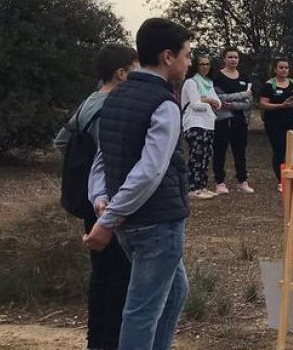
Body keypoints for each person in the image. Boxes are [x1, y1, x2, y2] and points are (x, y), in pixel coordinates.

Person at [85, 18, 195, 350]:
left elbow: (102, 157)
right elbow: (150, 171)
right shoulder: (164, 104)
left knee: (177, 290)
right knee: (141, 312)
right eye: (186, 55)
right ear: (167, 56)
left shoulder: (117, 96)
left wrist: (101, 197)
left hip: (130, 224)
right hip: (156, 224)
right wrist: (107, 218)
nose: (188, 62)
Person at [53, 44, 136, 350]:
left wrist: (82, 169)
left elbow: (62, 141)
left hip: (90, 204)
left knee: (100, 273)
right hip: (108, 203)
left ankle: (96, 340)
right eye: (136, 66)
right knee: (119, 275)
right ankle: (110, 341)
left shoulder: (89, 101)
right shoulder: (113, 106)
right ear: (122, 72)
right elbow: (110, 157)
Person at [212, 48, 254, 195]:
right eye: (230, 57)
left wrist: (235, 104)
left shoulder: (245, 78)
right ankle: (219, 182)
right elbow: (219, 99)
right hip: (223, 120)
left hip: (240, 120)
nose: (233, 60)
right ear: (224, 58)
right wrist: (241, 95)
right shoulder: (217, 77)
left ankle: (242, 181)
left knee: (240, 151)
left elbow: (249, 101)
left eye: (235, 57)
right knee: (220, 150)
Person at [181, 55, 221, 199]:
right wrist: (208, 101)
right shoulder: (191, 83)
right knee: (196, 156)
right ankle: (192, 187)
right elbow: (195, 105)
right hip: (195, 123)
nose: (205, 67)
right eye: (201, 64)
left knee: (205, 156)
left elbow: (218, 103)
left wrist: (207, 100)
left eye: (207, 64)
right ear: (196, 66)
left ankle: (202, 186)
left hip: (208, 124)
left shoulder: (208, 83)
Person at [260, 58, 293, 191]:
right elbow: (263, 104)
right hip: (275, 123)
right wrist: (282, 105)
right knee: (280, 150)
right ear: (275, 69)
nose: (284, 70)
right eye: (281, 67)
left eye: (286, 68)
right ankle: (281, 180)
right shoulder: (269, 85)